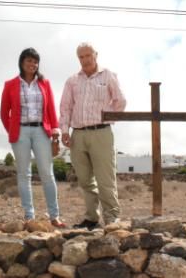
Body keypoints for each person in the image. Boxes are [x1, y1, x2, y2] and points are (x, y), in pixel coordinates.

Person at [59, 42, 126, 230]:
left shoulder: (108, 76)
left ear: (96, 54)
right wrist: (64, 130)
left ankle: (112, 218)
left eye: (88, 55)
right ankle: (91, 218)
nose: (85, 60)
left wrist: (107, 116)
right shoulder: (72, 80)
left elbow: (120, 100)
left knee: (106, 179)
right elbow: (65, 107)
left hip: (101, 133)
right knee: (85, 179)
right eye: (81, 57)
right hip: (77, 135)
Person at [0, 47, 66, 228]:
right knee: (24, 174)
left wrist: (54, 130)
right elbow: (4, 113)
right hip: (20, 132)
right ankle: (29, 216)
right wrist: (13, 130)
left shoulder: (45, 84)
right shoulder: (10, 84)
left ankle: (55, 216)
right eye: (29, 60)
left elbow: (51, 109)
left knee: (47, 173)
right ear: (22, 62)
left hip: (41, 131)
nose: (32, 64)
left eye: (35, 61)